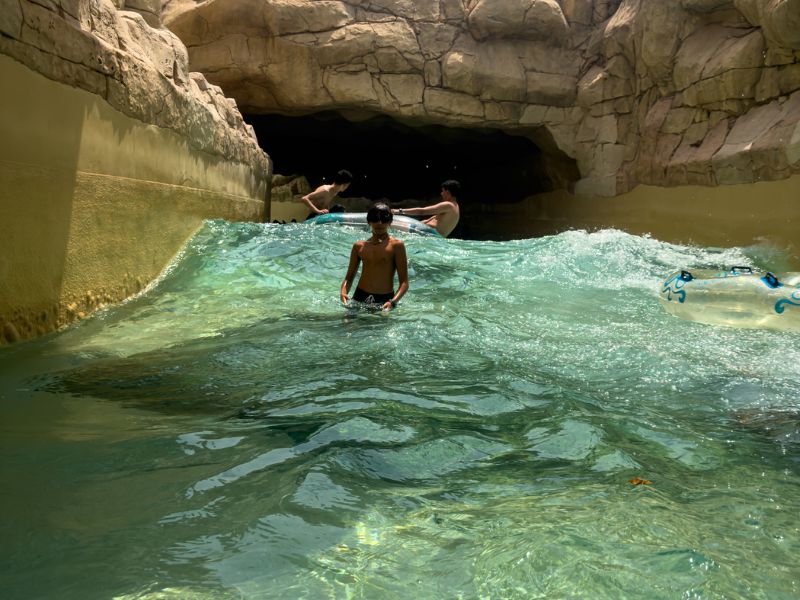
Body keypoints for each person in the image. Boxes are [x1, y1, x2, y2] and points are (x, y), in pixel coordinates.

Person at [341, 203, 409, 311]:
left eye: (384, 221)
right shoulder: (359, 246)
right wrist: (343, 292)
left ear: (390, 222)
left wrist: (393, 302)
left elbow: (404, 283)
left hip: (385, 300)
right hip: (359, 296)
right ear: (369, 222)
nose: (379, 223)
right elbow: (349, 278)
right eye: (375, 221)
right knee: (349, 326)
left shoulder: (397, 246)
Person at [392, 179, 461, 237]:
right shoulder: (455, 207)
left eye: (443, 191)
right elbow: (430, 220)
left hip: (430, 234)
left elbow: (422, 211)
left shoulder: (448, 205)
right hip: (431, 234)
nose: (441, 193)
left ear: (448, 192)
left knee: (389, 225)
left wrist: (398, 211)